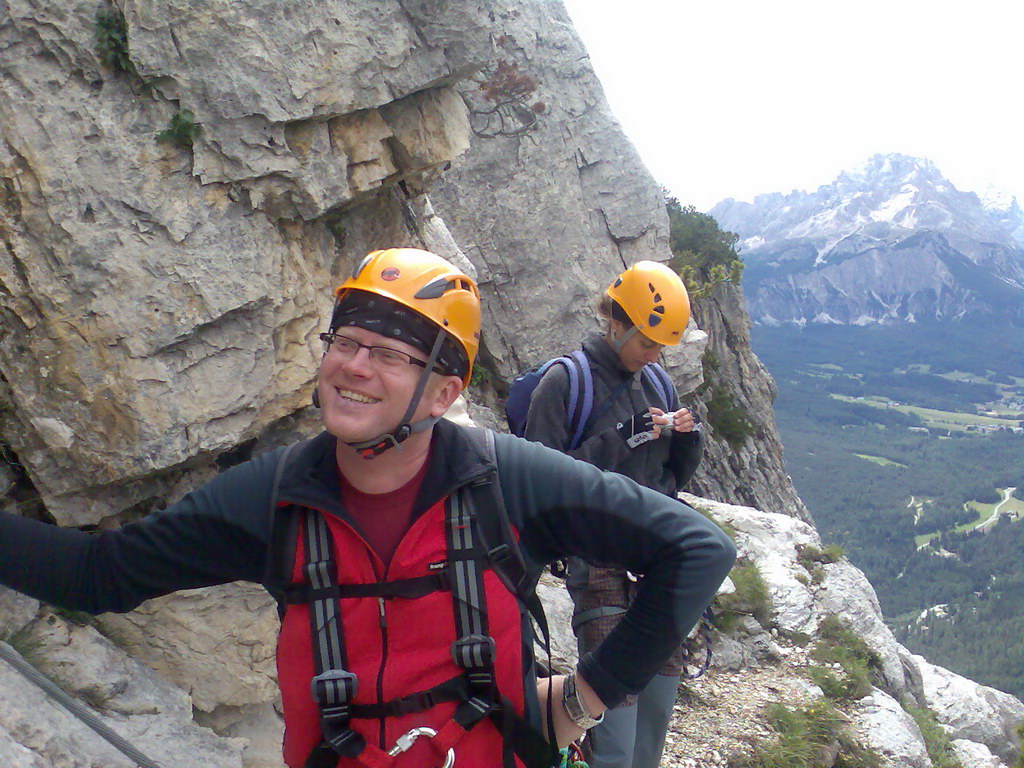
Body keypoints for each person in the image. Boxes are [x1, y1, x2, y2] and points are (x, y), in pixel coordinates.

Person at [0, 248, 734, 768]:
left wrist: (583, 699)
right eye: (346, 341)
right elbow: (97, 577)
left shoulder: (506, 482)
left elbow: (697, 549)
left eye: (392, 354)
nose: (355, 365)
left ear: (446, 394)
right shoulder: (276, 496)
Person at [523, 260, 704, 768]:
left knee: (656, 715)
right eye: (647, 342)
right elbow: (541, 479)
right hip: (597, 564)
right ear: (617, 324)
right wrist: (622, 438)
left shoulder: (657, 385)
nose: (653, 355)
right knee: (616, 725)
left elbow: (670, 480)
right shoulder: (566, 384)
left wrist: (688, 441)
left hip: (654, 561)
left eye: (660, 346)